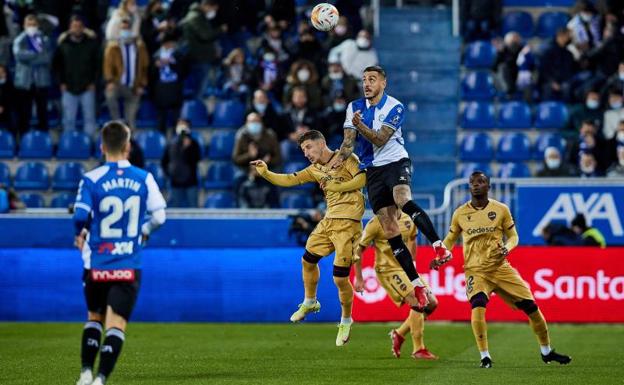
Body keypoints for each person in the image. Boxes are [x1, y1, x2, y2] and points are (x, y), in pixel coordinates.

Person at [332, 65, 451, 310]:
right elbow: (347, 143)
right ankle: (417, 284)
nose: (367, 84)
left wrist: (360, 125)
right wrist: (334, 164)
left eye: (372, 79)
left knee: (402, 199)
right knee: (389, 228)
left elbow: (380, 138)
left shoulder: (395, 107)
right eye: (364, 79)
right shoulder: (354, 107)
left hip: (396, 162)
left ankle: (439, 246)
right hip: (372, 171)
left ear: (383, 83)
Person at [433, 171, 571, 368]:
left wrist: (507, 248)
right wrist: (441, 254)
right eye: (472, 182)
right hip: (475, 270)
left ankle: (547, 351)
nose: (476, 185)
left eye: (480, 182)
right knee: (478, 305)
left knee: (531, 307)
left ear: (488, 186)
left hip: (500, 268)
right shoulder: (460, 213)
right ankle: (485, 356)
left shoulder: (501, 209)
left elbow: (514, 237)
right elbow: (450, 239)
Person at [73, 121, 166, 385]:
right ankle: (101, 379)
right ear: (127, 147)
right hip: (127, 261)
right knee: (117, 324)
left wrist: (80, 234)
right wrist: (143, 231)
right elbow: (160, 216)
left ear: (102, 147)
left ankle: (85, 373)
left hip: (97, 260)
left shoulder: (91, 179)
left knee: (94, 318)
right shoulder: (143, 178)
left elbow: (80, 216)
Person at [251, 130, 365, 346]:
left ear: (321, 143)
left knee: (340, 279)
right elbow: (288, 180)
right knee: (307, 259)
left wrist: (338, 186)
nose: (306, 153)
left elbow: (362, 179)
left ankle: (346, 320)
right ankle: (310, 301)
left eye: (309, 148)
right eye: (303, 150)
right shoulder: (314, 170)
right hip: (328, 221)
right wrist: (265, 172)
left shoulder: (347, 158)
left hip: (348, 224)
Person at [354, 213, 439, 360]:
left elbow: (412, 238)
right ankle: (418, 349)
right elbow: (358, 249)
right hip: (388, 270)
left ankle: (399, 334)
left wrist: (412, 265)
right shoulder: (376, 223)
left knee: (432, 303)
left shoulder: (407, 218)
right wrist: (359, 278)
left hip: (406, 269)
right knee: (417, 300)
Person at [53, 15, 99, 136]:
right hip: (68, 87)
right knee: (68, 120)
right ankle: (69, 144)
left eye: (79, 26)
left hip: (87, 87)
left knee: (89, 119)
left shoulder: (91, 44)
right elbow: (56, 66)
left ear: (83, 28)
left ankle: (89, 144)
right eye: (74, 26)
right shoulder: (63, 45)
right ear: (70, 28)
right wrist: (61, 82)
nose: (77, 29)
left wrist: (93, 82)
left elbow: (97, 65)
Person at [103, 17, 150, 129]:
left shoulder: (140, 47)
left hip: (134, 86)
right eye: (123, 28)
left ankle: (130, 141)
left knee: (131, 121)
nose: (125, 31)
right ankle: (116, 121)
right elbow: (107, 67)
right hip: (118, 84)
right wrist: (110, 81)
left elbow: (144, 67)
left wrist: (142, 85)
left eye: (128, 28)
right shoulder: (112, 47)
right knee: (109, 94)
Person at [13, 14, 53, 136]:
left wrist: (30, 57)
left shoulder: (45, 40)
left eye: (34, 24)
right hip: (24, 83)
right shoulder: (19, 40)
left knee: (43, 114)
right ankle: (23, 140)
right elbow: (19, 56)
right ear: (24, 26)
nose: (31, 27)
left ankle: (43, 140)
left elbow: (47, 58)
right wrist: (36, 54)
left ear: (38, 25)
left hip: (41, 82)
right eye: (29, 25)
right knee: (24, 114)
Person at [180, 0, 222, 99]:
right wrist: (220, 30)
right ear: (206, 5)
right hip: (199, 57)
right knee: (199, 87)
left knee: (201, 86)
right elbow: (205, 35)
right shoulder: (195, 17)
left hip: (202, 56)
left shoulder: (200, 16)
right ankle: (193, 109)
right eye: (213, 9)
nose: (213, 12)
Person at [151, 32, 188, 134]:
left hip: (175, 89)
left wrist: (172, 63)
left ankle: (176, 139)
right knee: (161, 118)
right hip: (161, 89)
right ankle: (161, 140)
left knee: (176, 117)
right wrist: (156, 66)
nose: (172, 45)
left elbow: (184, 72)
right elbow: (151, 74)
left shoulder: (179, 55)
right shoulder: (155, 55)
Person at [161, 120, 201, 207]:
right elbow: (164, 161)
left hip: (191, 182)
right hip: (175, 183)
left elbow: (196, 160)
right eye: (180, 125)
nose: (182, 127)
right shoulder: (171, 143)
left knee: (193, 208)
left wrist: (188, 148)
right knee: (175, 208)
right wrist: (169, 173)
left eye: (184, 125)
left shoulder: (194, 144)